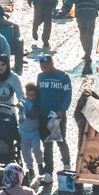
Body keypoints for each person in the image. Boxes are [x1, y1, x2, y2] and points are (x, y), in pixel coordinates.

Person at [37, 53, 72, 182]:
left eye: (46, 66)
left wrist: (62, 110)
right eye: (42, 67)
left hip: (58, 116)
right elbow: (38, 94)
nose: (44, 69)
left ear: (52, 64)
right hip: (44, 115)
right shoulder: (40, 77)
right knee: (46, 143)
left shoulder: (63, 77)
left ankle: (67, 165)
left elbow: (68, 95)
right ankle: (48, 172)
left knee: (61, 141)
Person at [19, 81, 45, 181]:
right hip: (24, 131)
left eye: (34, 95)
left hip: (34, 132)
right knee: (25, 151)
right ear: (26, 94)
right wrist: (21, 116)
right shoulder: (24, 103)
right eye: (30, 95)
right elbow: (22, 112)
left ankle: (39, 163)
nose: (32, 97)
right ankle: (30, 168)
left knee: (36, 149)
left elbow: (35, 112)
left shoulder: (38, 104)